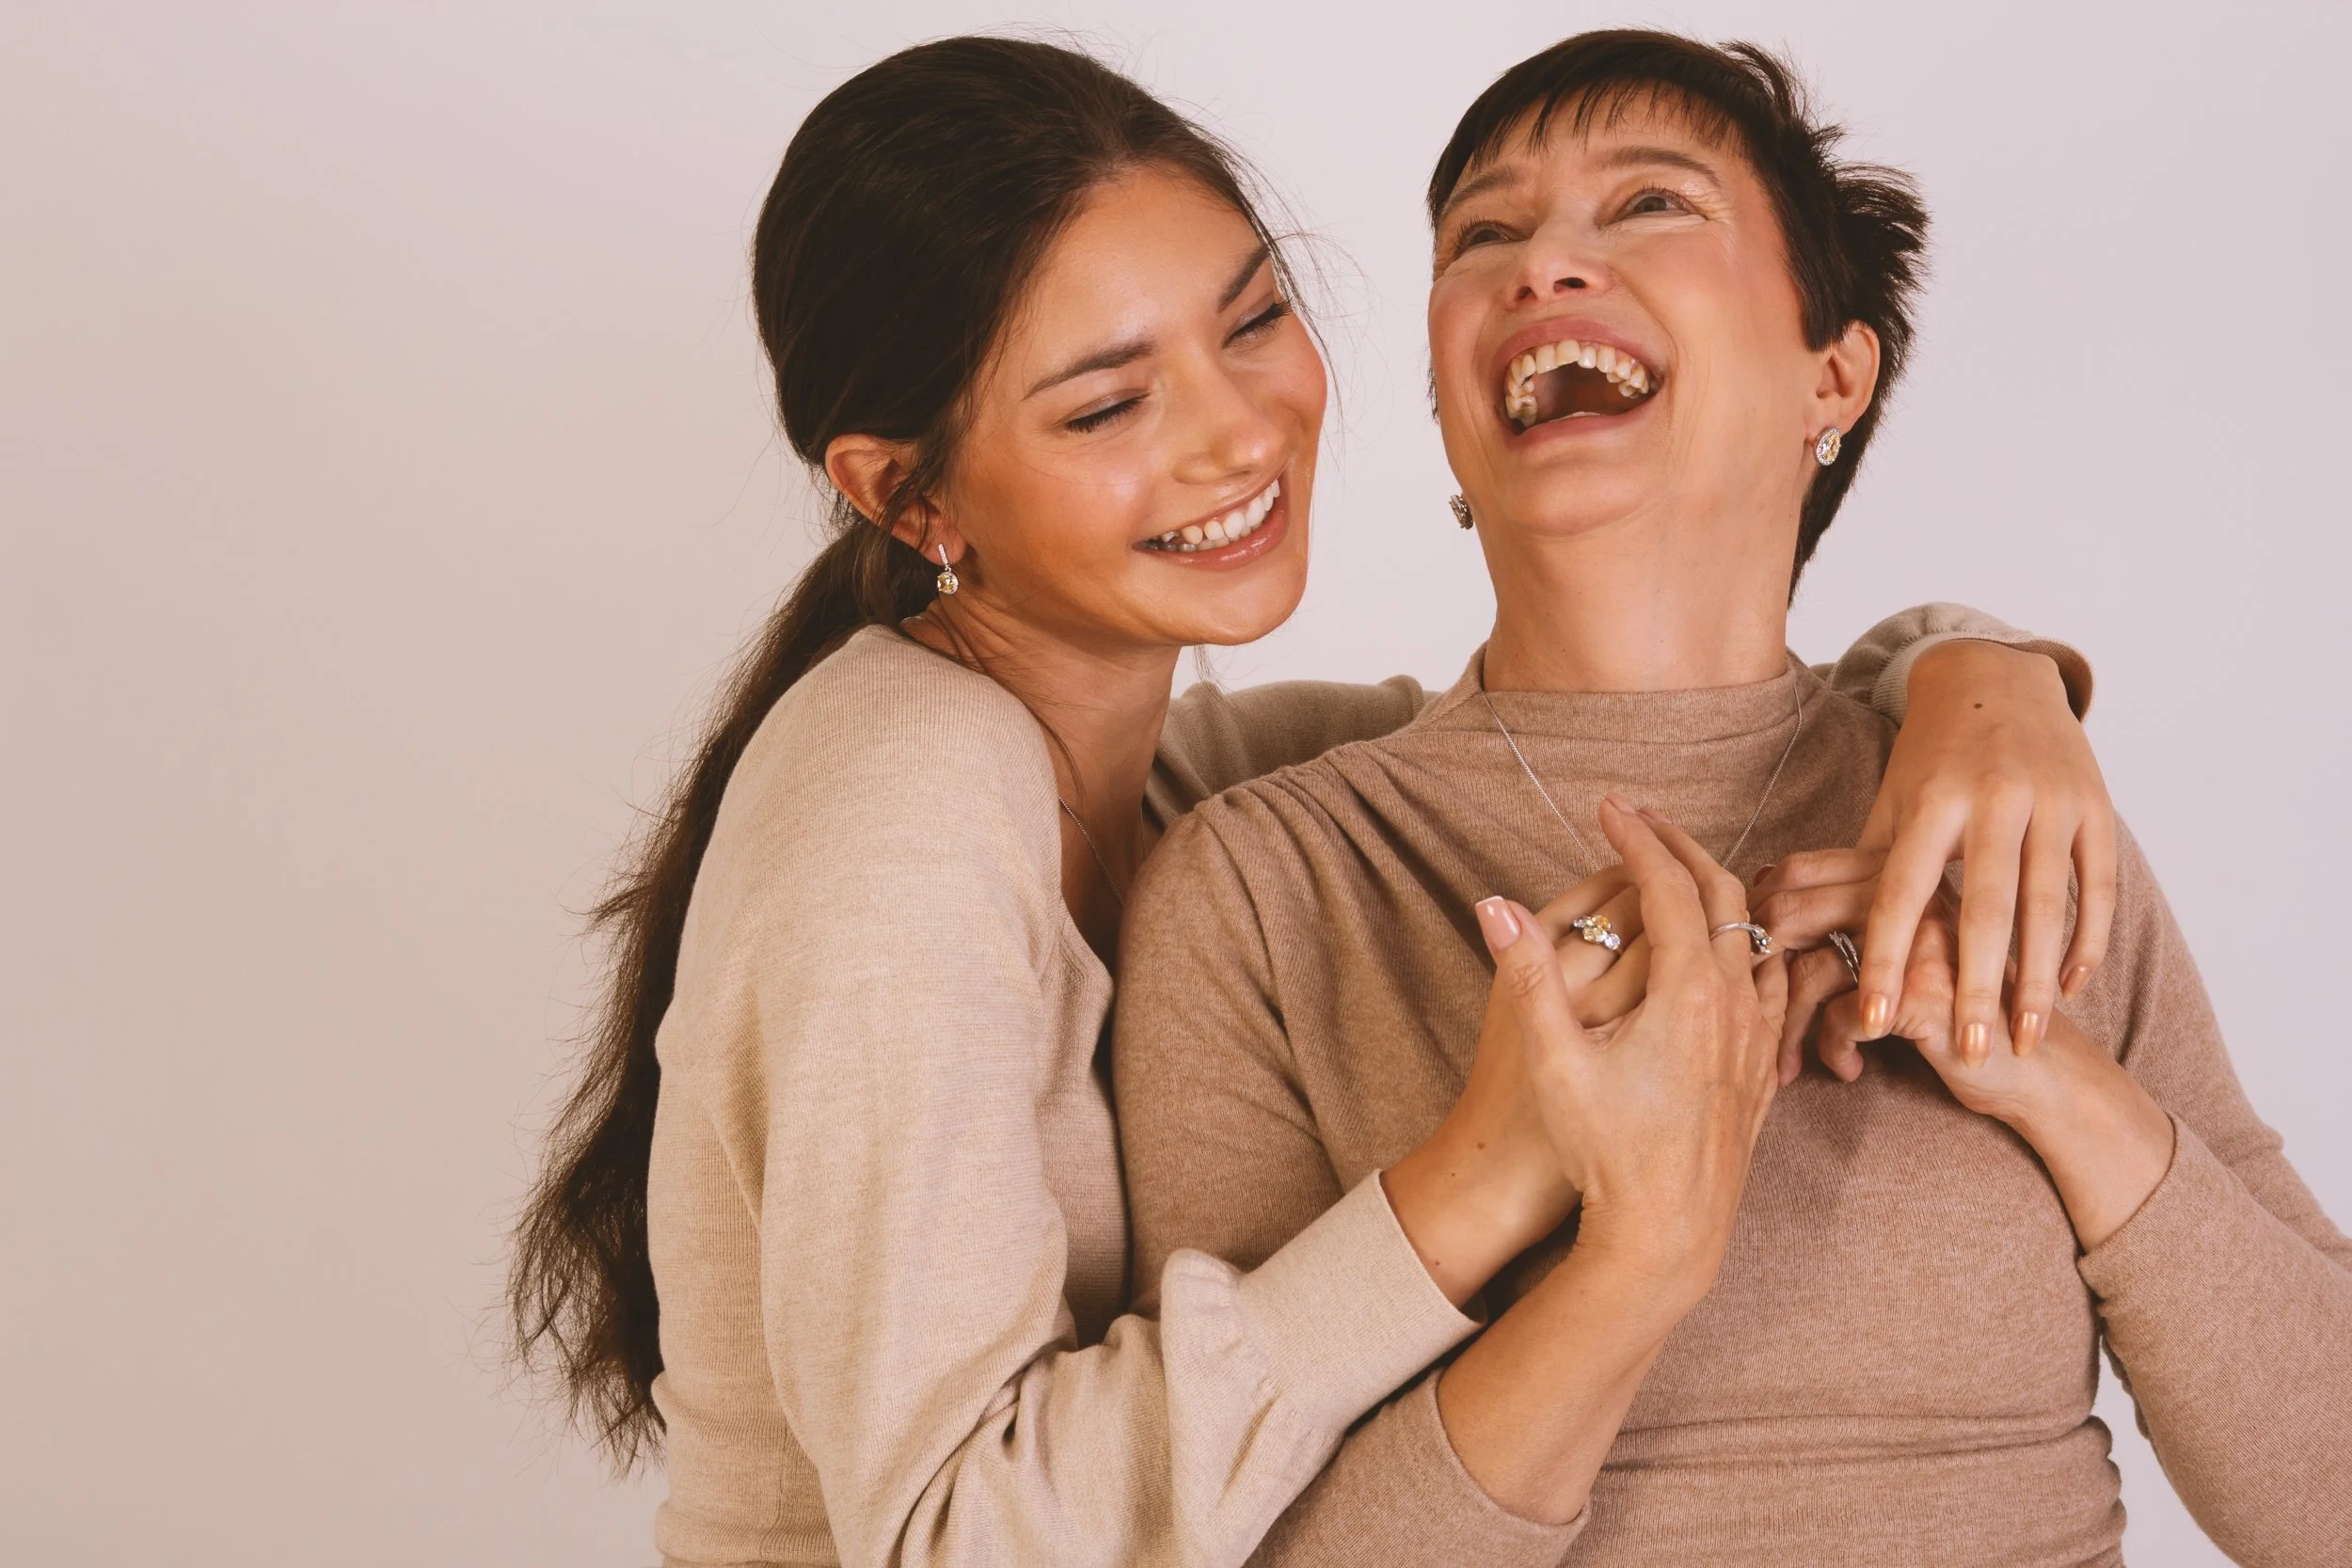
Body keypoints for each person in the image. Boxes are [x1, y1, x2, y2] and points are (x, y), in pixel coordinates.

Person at [509, 36, 2116, 1568]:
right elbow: (952, 1542)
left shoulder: (1196, 778)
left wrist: (1979, 672)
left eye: (1254, 317)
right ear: (904, 491)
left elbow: (1544, 731)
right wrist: (1484, 1173)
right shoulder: (902, 816)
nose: (1235, 431)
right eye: (1104, 405)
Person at [1115, 30, 2352, 1567]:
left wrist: (2050, 1076)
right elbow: (1221, 1541)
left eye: (1649, 205)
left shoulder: (2001, 821)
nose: (1545, 263)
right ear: (1446, 412)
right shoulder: (1265, 886)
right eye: (1483, 235)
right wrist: (1635, 1256)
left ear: (1831, 370)